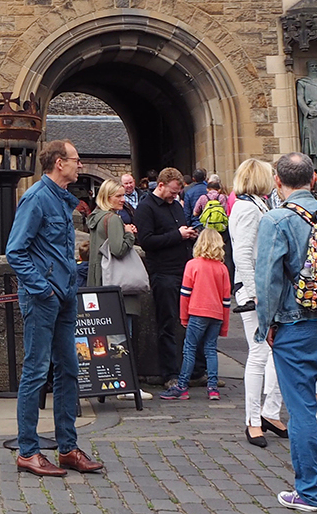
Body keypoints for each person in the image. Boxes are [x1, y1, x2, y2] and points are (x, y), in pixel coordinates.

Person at [256, 152, 317, 513]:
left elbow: (268, 278)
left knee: (301, 412)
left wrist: (265, 325)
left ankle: (309, 491)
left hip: (295, 324)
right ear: (314, 180)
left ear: (277, 182)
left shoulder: (276, 220)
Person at [6, 139, 105, 477]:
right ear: (59, 163)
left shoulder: (63, 200)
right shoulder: (35, 198)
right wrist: (43, 288)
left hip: (63, 295)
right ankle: (28, 451)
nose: (80, 165)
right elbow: (15, 251)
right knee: (35, 372)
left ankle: (67, 447)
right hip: (43, 298)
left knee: (69, 370)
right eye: (76, 160)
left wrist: (64, 287)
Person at [230, 158, 286, 447]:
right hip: (254, 290)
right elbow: (242, 254)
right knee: (260, 353)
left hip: (265, 287)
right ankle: (253, 420)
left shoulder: (256, 204)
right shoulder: (248, 208)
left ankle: (270, 412)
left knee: (276, 351)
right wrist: (253, 293)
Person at [133, 167, 197, 386]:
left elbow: (176, 232)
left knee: (190, 321)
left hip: (183, 270)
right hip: (163, 272)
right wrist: (177, 235)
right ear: (160, 185)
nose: (174, 196)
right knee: (167, 322)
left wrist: (187, 235)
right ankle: (170, 373)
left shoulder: (175, 206)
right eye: (172, 191)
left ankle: (194, 369)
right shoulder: (146, 208)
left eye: (178, 192)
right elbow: (147, 241)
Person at [161, 228, 231, 401]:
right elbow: (226, 299)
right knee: (210, 350)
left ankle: (182, 386)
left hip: (197, 312)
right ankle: (213, 388)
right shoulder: (222, 268)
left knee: (189, 349)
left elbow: (185, 294)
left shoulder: (192, 265)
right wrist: (225, 325)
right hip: (216, 314)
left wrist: (183, 316)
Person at [79, 176, 136, 289]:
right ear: (107, 198)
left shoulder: (97, 216)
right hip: (110, 277)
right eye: (118, 196)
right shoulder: (113, 219)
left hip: (96, 274)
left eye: (123, 195)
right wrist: (129, 234)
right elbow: (118, 250)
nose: (123, 200)